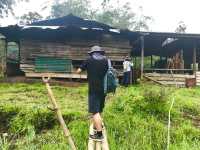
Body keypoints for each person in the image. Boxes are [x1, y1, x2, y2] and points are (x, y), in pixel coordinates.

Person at [76, 46, 108, 141]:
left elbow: (78, 71)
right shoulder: (106, 60)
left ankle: (99, 134)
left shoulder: (88, 60)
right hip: (104, 89)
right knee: (99, 109)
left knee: (95, 111)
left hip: (93, 89)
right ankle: (97, 125)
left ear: (92, 53)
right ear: (100, 52)